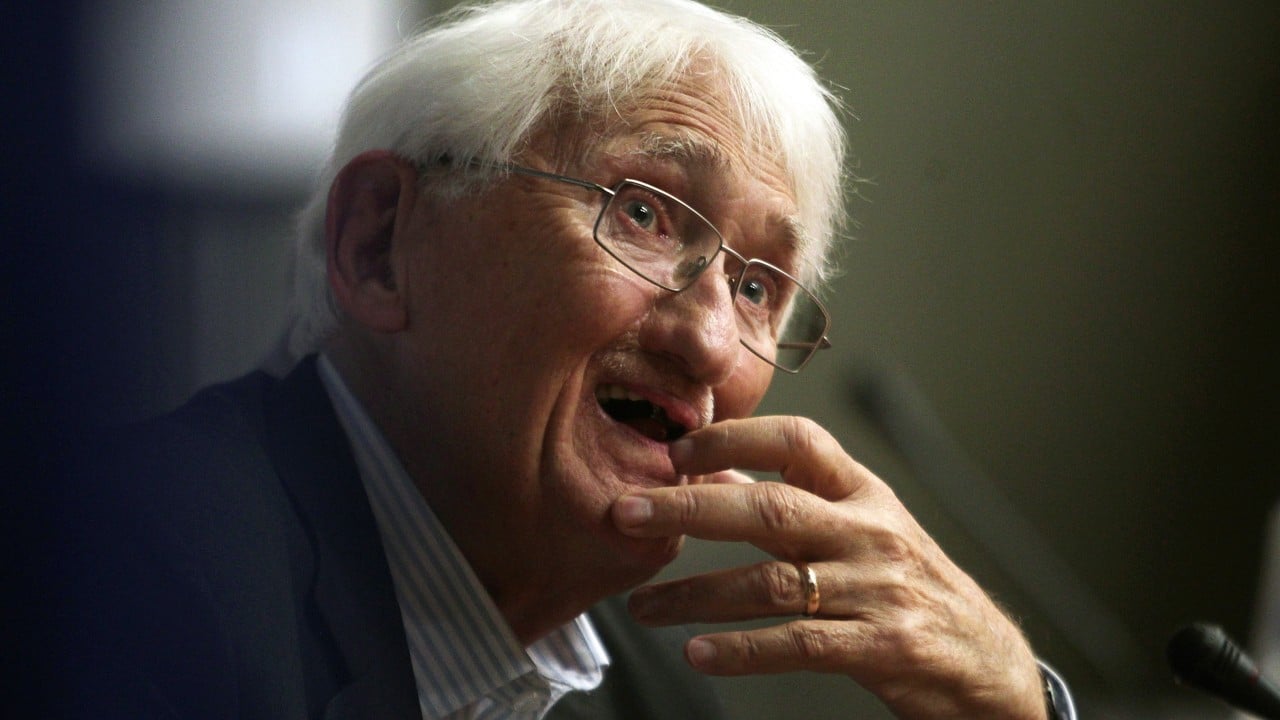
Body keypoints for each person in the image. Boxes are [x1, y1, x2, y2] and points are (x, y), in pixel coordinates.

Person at [40, 0, 1075, 718]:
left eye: (759, 286)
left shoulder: (639, 683)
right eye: (643, 213)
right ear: (379, 245)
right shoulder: (119, 581)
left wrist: (1013, 710)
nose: (710, 341)